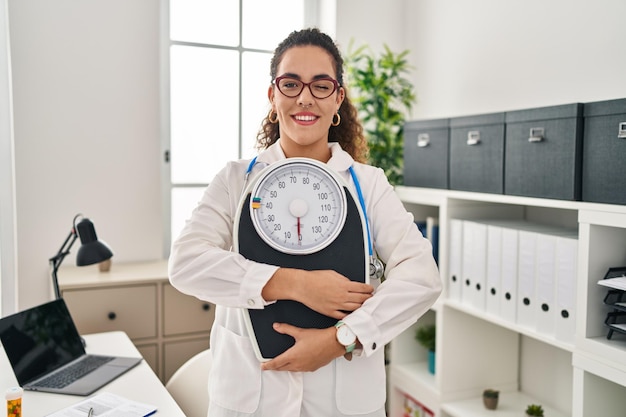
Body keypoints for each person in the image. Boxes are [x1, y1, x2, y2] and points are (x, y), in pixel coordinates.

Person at [168, 27, 441, 417]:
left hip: (342, 403)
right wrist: (297, 284)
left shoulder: (369, 185)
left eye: (321, 85)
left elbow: (422, 278)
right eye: (291, 84)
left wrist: (341, 339)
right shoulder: (235, 180)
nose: (305, 98)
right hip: (249, 401)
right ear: (273, 96)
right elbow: (186, 263)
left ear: (338, 99)